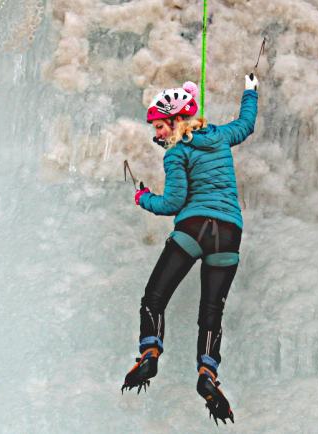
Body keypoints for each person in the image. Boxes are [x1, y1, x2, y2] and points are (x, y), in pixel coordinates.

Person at [121, 74, 259, 425]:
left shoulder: (177, 153)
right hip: (229, 233)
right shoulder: (220, 135)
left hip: (194, 228)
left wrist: (143, 198)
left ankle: (150, 351)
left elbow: (173, 202)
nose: (158, 134)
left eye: (160, 126)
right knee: (212, 311)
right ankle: (207, 375)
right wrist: (250, 90)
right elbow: (246, 125)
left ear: (177, 119)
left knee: (154, 298)